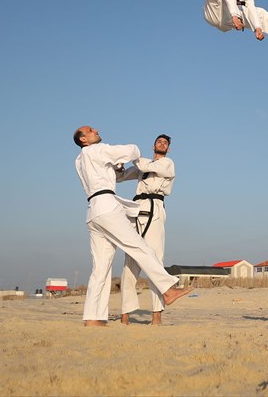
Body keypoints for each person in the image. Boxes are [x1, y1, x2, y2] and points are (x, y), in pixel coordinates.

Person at [73, 126, 190, 326]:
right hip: (108, 207)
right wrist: (128, 157)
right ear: (84, 139)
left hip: (93, 211)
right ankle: (168, 290)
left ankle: (93, 318)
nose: (97, 130)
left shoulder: (80, 160)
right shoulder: (98, 150)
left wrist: (118, 167)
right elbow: (134, 150)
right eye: (91, 130)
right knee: (138, 248)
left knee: (100, 267)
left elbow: (117, 175)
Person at [118, 133, 176, 325]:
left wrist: (132, 155)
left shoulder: (167, 163)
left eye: (165, 143)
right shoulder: (144, 167)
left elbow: (144, 166)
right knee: (130, 260)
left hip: (155, 208)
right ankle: (125, 314)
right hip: (137, 209)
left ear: (167, 149)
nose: (162, 144)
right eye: (159, 142)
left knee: (155, 258)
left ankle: (157, 314)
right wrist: (119, 165)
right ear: (153, 146)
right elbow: (121, 177)